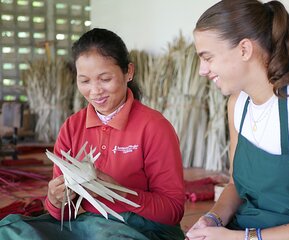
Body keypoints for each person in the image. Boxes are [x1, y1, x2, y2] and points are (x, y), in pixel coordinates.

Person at [0, 28, 185, 240]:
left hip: (143, 229)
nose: (95, 91)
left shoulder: (154, 126)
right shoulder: (72, 127)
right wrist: (55, 199)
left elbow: (173, 211)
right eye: (85, 81)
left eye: (105, 79)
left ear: (129, 72)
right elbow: (63, 215)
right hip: (89, 226)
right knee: (9, 231)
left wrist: (119, 192)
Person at [186, 1, 289, 239]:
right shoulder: (237, 104)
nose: (202, 70)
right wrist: (212, 219)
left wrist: (240, 238)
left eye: (207, 57)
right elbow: (236, 187)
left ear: (244, 49)